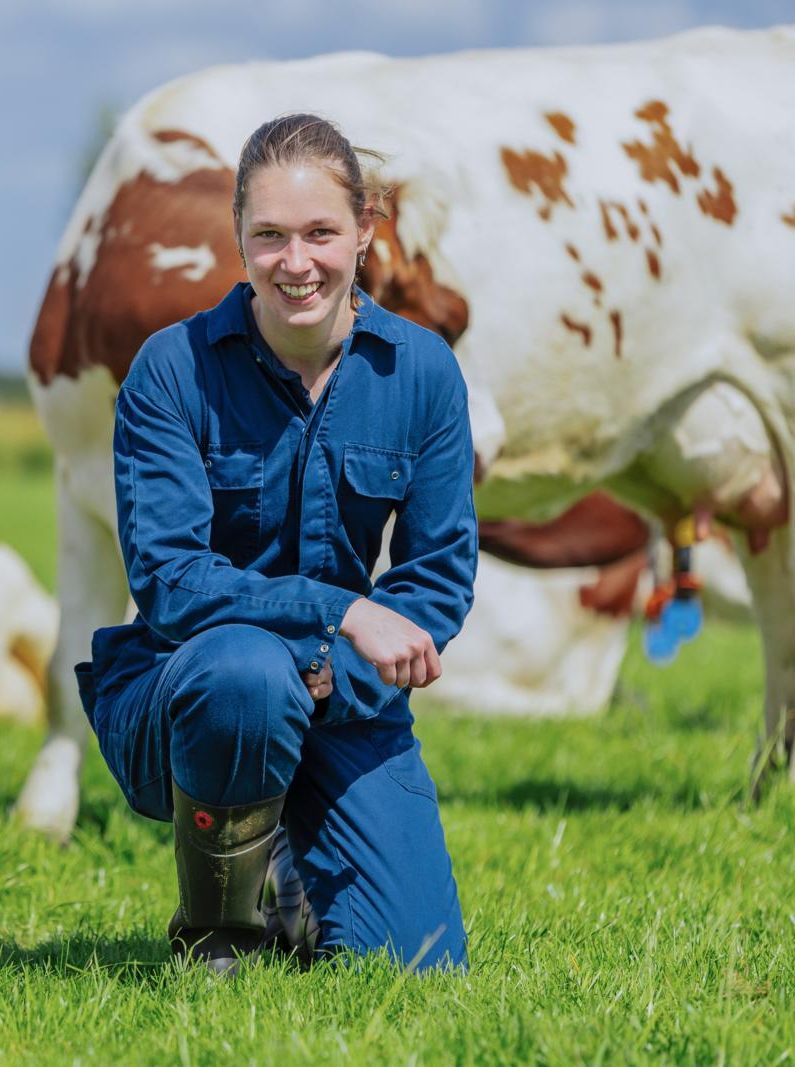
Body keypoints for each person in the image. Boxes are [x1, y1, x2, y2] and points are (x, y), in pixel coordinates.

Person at [75, 113, 477, 975]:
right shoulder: (170, 370)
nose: (297, 263)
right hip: (193, 692)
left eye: (321, 233)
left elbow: (438, 576)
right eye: (270, 237)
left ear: (366, 232)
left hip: (348, 700)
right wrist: (340, 613)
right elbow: (173, 583)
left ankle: (291, 863)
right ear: (240, 239)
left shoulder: (425, 373)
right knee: (247, 673)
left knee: (419, 963)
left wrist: (346, 668)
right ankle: (221, 932)